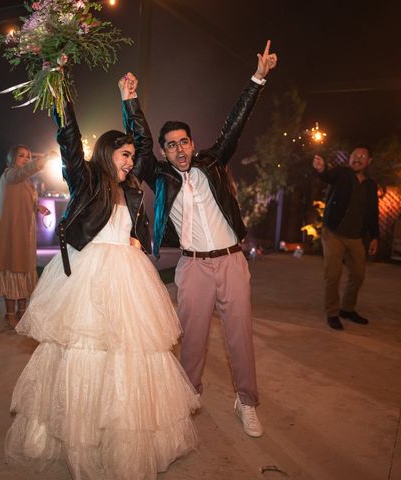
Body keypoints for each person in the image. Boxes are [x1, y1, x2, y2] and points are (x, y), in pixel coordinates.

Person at [4, 74, 200, 480]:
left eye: (131, 156)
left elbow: (146, 147)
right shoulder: (87, 178)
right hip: (88, 276)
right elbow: (69, 139)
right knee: (82, 351)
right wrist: (58, 88)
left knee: (130, 357)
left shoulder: (131, 189)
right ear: (108, 152)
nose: (131, 161)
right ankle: (76, 433)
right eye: (124, 154)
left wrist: (130, 101)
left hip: (127, 276)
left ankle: (123, 441)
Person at [134, 41, 277, 438]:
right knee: (192, 339)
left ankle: (246, 402)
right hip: (193, 265)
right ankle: (187, 395)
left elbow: (236, 123)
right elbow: (141, 148)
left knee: (240, 337)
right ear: (165, 151)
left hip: (231, 261)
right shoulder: (160, 178)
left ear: (193, 145)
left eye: (184, 141)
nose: (179, 149)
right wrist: (131, 102)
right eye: (172, 145)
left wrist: (258, 78)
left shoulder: (212, 163)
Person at [312, 146, 379, 331]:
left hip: (356, 237)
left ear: (369, 161)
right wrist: (321, 169)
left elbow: (373, 212)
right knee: (333, 275)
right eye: (354, 155)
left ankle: (347, 309)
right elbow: (327, 176)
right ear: (350, 158)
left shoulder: (370, 185)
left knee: (358, 274)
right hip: (334, 233)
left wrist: (374, 236)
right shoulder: (342, 174)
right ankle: (332, 313)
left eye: (362, 156)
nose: (357, 158)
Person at [0, 145, 50, 328]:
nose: (26, 159)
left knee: (23, 271)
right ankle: (10, 313)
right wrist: (43, 160)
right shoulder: (9, 175)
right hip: (11, 233)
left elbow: (25, 199)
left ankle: (23, 312)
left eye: (29, 156)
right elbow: (24, 172)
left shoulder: (26, 181)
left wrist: (37, 207)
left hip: (25, 234)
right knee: (12, 270)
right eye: (22, 155)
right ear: (11, 158)